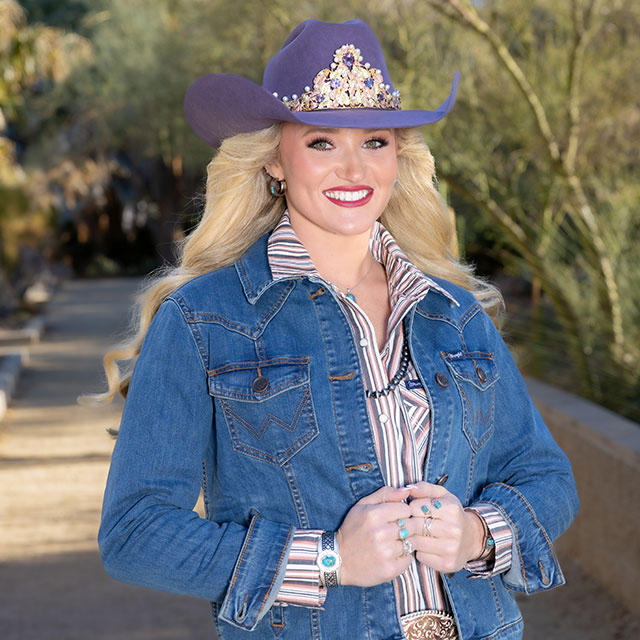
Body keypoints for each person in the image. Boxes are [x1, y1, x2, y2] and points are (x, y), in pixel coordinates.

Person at [94, 18, 579, 640]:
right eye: (322, 142)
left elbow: (547, 477)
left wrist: (478, 535)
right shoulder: (202, 321)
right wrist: (327, 561)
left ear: (399, 156)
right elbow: (136, 531)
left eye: (375, 140)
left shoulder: (453, 314)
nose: (354, 169)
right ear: (274, 158)